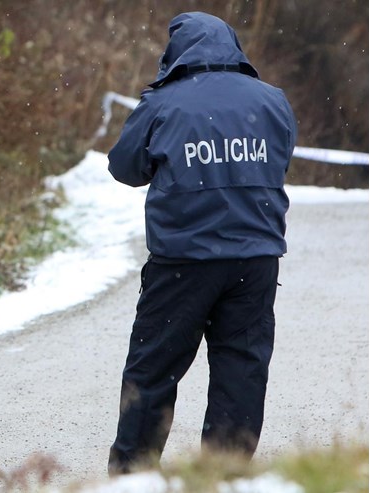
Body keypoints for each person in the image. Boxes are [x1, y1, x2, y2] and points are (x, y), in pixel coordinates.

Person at [106, 12, 297, 475]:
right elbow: (281, 158)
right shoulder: (272, 100)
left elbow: (125, 168)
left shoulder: (164, 104)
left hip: (183, 263)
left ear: (176, 52)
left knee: (152, 374)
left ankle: (133, 477)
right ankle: (223, 477)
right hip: (255, 262)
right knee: (241, 373)